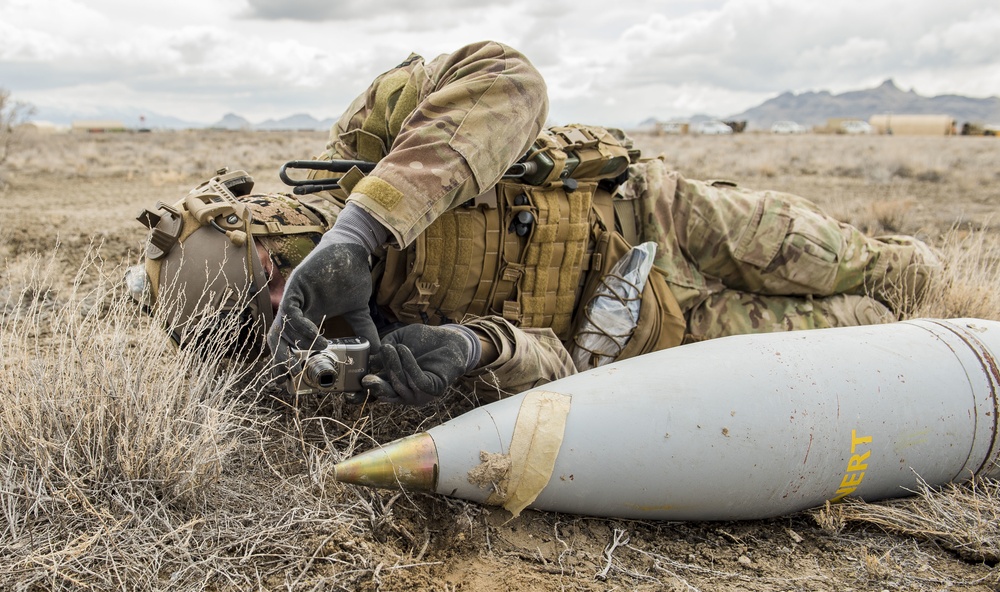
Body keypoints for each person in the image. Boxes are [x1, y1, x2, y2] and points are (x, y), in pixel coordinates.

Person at [128, 41, 940, 405]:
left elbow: (508, 77)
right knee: (865, 329)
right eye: (261, 321)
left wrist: (362, 231)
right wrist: (477, 351)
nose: (289, 308)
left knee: (890, 272)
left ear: (274, 226)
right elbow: (552, 368)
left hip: (664, 212)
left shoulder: (368, 142)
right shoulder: (351, 364)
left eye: (277, 277)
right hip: (653, 329)